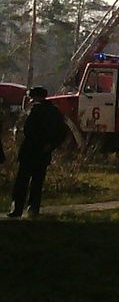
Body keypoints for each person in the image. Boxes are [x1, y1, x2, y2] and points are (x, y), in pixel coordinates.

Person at [8, 86, 68, 218]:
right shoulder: (55, 112)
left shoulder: (32, 111)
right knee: (37, 182)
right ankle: (33, 208)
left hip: (29, 150)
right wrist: (51, 145)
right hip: (44, 152)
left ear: (35, 97)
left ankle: (17, 208)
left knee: (22, 181)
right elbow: (62, 132)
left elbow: (25, 129)